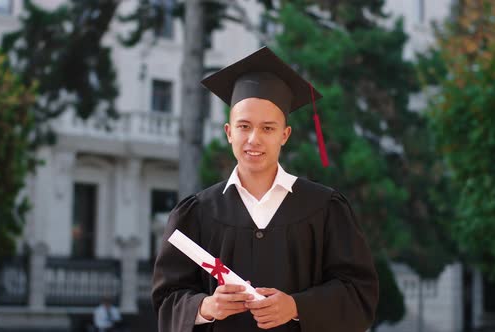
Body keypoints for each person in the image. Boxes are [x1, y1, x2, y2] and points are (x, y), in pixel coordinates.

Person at [151, 46, 378, 332]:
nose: (254, 139)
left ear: (285, 135)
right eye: (244, 126)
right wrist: (206, 307)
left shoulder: (325, 208)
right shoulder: (197, 212)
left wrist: (297, 307)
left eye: (268, 128)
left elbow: (359, 294)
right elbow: (166, 301)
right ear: (228, 132)